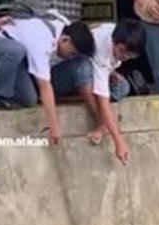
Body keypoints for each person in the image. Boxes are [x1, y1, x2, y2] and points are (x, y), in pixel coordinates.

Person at [0, 15, 96, 144]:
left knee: (28, 98)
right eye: (72, 53)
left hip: (16, 62)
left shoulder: (61, 31)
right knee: (15, 50)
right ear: (65, 40)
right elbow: (44, 84)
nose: (70, 58)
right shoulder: (42, 38)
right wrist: (54, 125)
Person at [49, 19, 146, 164]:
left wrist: (111, 72)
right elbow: (103, 100)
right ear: (113, 42)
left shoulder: (116, 32)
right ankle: (100, 119)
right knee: (83, 69)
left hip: (89, 74)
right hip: (57, 75)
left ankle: (81, 97)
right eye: (121, 52)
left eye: (129, 56)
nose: (123, 57)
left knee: (122, 87)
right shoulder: (102, 51)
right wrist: (117, 140)